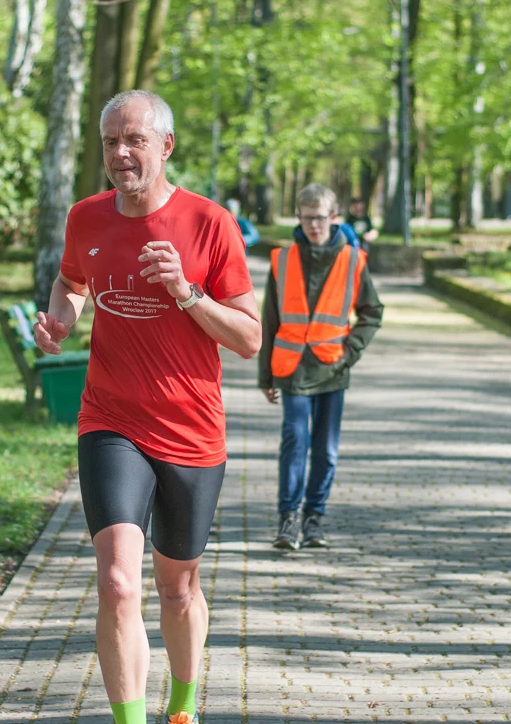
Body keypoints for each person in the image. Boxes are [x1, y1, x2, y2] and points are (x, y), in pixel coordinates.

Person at [34, 90, 261, 724]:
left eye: (134, 140)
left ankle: (183, 708)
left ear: (165, 146)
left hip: (191, 430)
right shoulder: (87, 217)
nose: (121, 154)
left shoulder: (209, 223)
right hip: (111, 419)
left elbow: (248, 339)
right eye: (111, 142)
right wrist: (60, 320)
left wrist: (186, 292)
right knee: (117, 582)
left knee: (178, 587)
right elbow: (72, 280)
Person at [258, 183, 383, 550]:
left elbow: (372, 313)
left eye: (321, 218)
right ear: (298, 217)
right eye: (307, 218)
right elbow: (269, 320)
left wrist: (349, 353)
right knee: (295, 441)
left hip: (332, 368)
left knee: (326, 449)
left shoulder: (353, 260)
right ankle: (288, 518)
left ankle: (314, 517)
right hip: (291, 368)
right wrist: (265, 375)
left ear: (334, 218)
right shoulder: (282, 261)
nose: (314, 225)